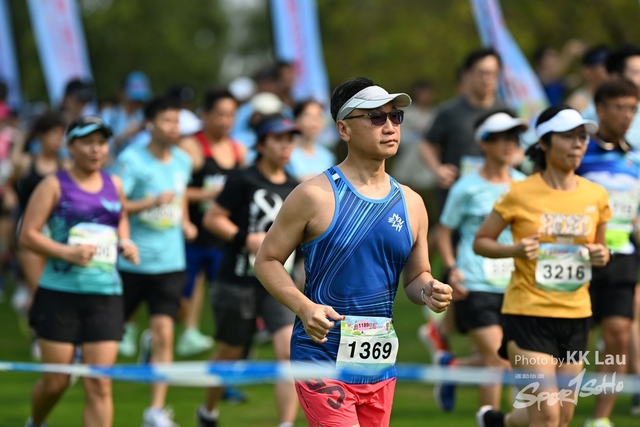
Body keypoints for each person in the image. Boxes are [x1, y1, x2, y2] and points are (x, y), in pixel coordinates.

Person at [254, 77, 453, 427]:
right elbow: (267, 260)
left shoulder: (412, 202)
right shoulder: (314, 195)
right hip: (320, 357)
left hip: (378, 363)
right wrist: (304, 307)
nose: (389, 127)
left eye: (395, 117)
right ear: (344, 129)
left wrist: (428, 289)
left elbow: (416, 277)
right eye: (376, 117)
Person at [474, 105, 611, 427]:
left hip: (577, 315)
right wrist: (515, 250)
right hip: (528, 314)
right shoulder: (519, 192)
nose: (578, 144)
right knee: (547, 414)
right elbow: (481, 241)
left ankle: (500, 423)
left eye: (582, 137)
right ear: (544, 143)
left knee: (562, 415)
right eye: (568, 136)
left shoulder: (596, 195)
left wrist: (601, 255)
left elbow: (601, 248)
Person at [19, 115, 139, 427]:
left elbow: (120, 217)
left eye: (101, 142)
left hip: (105, 294)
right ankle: (36, 422)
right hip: (60, 294)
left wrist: (126, 242)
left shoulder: (114, 184)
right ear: (70, 146)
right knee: (56, 382)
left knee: (99, 384)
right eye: (88, 142)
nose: (96, 149)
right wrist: (66, 253)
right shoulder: (53, 184)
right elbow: (27, 235)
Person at [196, 113, 299, 427]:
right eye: (278, 139)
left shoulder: (297, 187)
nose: (285, 146)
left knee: (288, 353)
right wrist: (245, 238)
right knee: (230, 351)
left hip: (279, 283)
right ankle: (208, 411)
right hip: (237, 280)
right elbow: (212, 218)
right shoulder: (243, 179)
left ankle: (286, 424)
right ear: (261, 144)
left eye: (290, 140)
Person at [433, 109, 527, 413]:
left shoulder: (526, 185)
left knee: (514, 360)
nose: (509, 144)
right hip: (475, 283)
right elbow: (444, 232)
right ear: (483, 143)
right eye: (501, 138)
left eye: (514, 137)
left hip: (517, 285)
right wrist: (451, 269)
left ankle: (453, 368)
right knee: (497, 359)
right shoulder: (466, 187)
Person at [111, 96, 195, 427]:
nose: (174, 127)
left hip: (170, 262)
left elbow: (180, 196)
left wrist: (185, 221)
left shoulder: (182, 160)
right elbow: (115, 204)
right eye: (167, 121)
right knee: (110, 336)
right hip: (132, 262)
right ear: (150, 125)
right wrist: (150, 202)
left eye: (177, 121)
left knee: (164, 332)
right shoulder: (131, 160)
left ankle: (155, 411)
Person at [574, 79, 640, 427]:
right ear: (599, 109)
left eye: (633, 109)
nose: (627, 115)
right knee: (576, 339)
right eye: (620, 107)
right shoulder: (579, 152)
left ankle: (601, 418)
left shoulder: (636, 157)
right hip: (578, 258)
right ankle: (558, 407)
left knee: (617, 335)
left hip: (622, 258)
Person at [175, 88, 245, 357]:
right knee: (180, 301)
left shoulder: (238, 150)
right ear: (204, 115)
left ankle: (227, 354)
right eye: (220, 114)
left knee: (228, 299)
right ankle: (161, 337)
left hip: (224, 238)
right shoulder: (190, 147)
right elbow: (175, 190)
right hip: (191, 235)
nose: (225, 121)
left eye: (231, 115)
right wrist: (208, 195)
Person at [419, 48, 507, 209]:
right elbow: (426, 144)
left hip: (496, 197)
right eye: (481, 73)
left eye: (492, 74)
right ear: (467, 75)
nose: (487, 79)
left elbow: (518, 148)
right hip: (456, 198)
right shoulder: (449, 112)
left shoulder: (506, 113)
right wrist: (438, 170)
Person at [101, 71, 153, 157]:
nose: (136, 103)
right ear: (121, 92)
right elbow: (102, 148)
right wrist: (126, 135)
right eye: (133, 98)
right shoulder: (108, 115)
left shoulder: (147, 118)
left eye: (140, 100)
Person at [286, 99, 335, 182]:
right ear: (296, 120)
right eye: (308, 116)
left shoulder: (327, 157)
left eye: (319, 116)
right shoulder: (286, 153)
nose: (315, 121)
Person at [566, 45, 610, 113]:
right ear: (587, 71)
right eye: (604, 65)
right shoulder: (578, 102)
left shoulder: (614, 98)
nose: (609, 70)